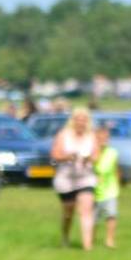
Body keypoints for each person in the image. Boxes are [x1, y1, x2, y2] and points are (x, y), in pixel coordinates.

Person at [51, 106, 98, 249]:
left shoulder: (91, 136)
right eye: (78, 119)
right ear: (73, 120)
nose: (81, 122)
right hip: (66, 178)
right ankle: (65, 236)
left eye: (84, 120)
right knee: (68, 211)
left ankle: (87, 246)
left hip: (85, 177)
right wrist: (67, 157)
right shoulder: (63, 135)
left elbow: (96, 155)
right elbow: (55, 154)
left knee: (86, 209)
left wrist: (88, 159)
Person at [92, 125, 121, 249]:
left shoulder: (113, 152)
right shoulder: (91, 153)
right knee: (94, 219)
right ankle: (91, 239)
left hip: (110, 190)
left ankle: (110, 240)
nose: (104, 140)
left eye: (106, 138)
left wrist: (117, 185)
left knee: (111, 215)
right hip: (95, 191)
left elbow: (116, 170)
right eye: (100, 138)